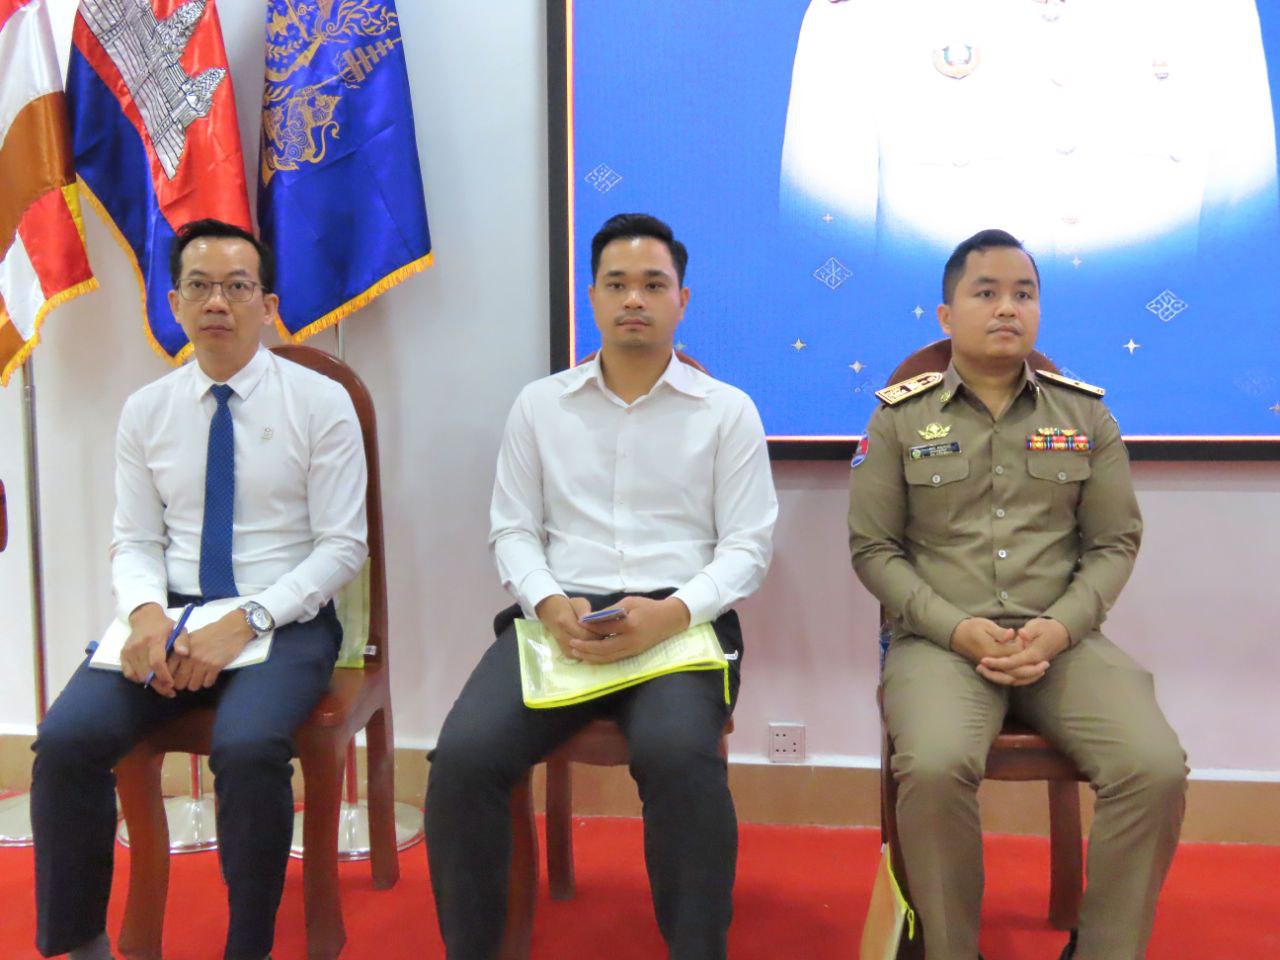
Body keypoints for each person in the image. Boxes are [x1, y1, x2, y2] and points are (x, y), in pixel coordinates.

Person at [424, 213, 778, 959]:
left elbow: (748, 549)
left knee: (679, 757)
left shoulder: (727, 411)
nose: (634, 300)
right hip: (563, 618)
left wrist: (673, 613)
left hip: (679, 624)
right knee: (463, 757)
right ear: (592, 298)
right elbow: (512, 529)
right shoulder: (540, 405)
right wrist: (549, 603)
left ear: (682, 299)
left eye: (653, 284)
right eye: (616, 284)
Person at [31, 219, 368, 960]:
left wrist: (248, 620)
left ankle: (248, 947)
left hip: (284, 618)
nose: (218, 302)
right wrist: (146, 615)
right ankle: (80, 943)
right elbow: (135, 540)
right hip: (173, 615)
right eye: (200, 286)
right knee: (65, 740)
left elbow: (342, 547)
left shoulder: (319, 402)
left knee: (247, 749)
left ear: (268, 305)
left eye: (237, 287)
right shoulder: (147, 410)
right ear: (175, 304)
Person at [847, 229, 1186, 960]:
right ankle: (951, 949)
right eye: (987, 293)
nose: (1008, 308)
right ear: (947, 316)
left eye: (1023, 294)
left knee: (1154, 766)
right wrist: (955, 628)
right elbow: (873, 550)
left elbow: (1114, 544)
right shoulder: (899, 418)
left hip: (1063, 643)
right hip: (941, 645)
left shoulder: (1084, 415)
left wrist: (1058, 629)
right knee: (933, 766)